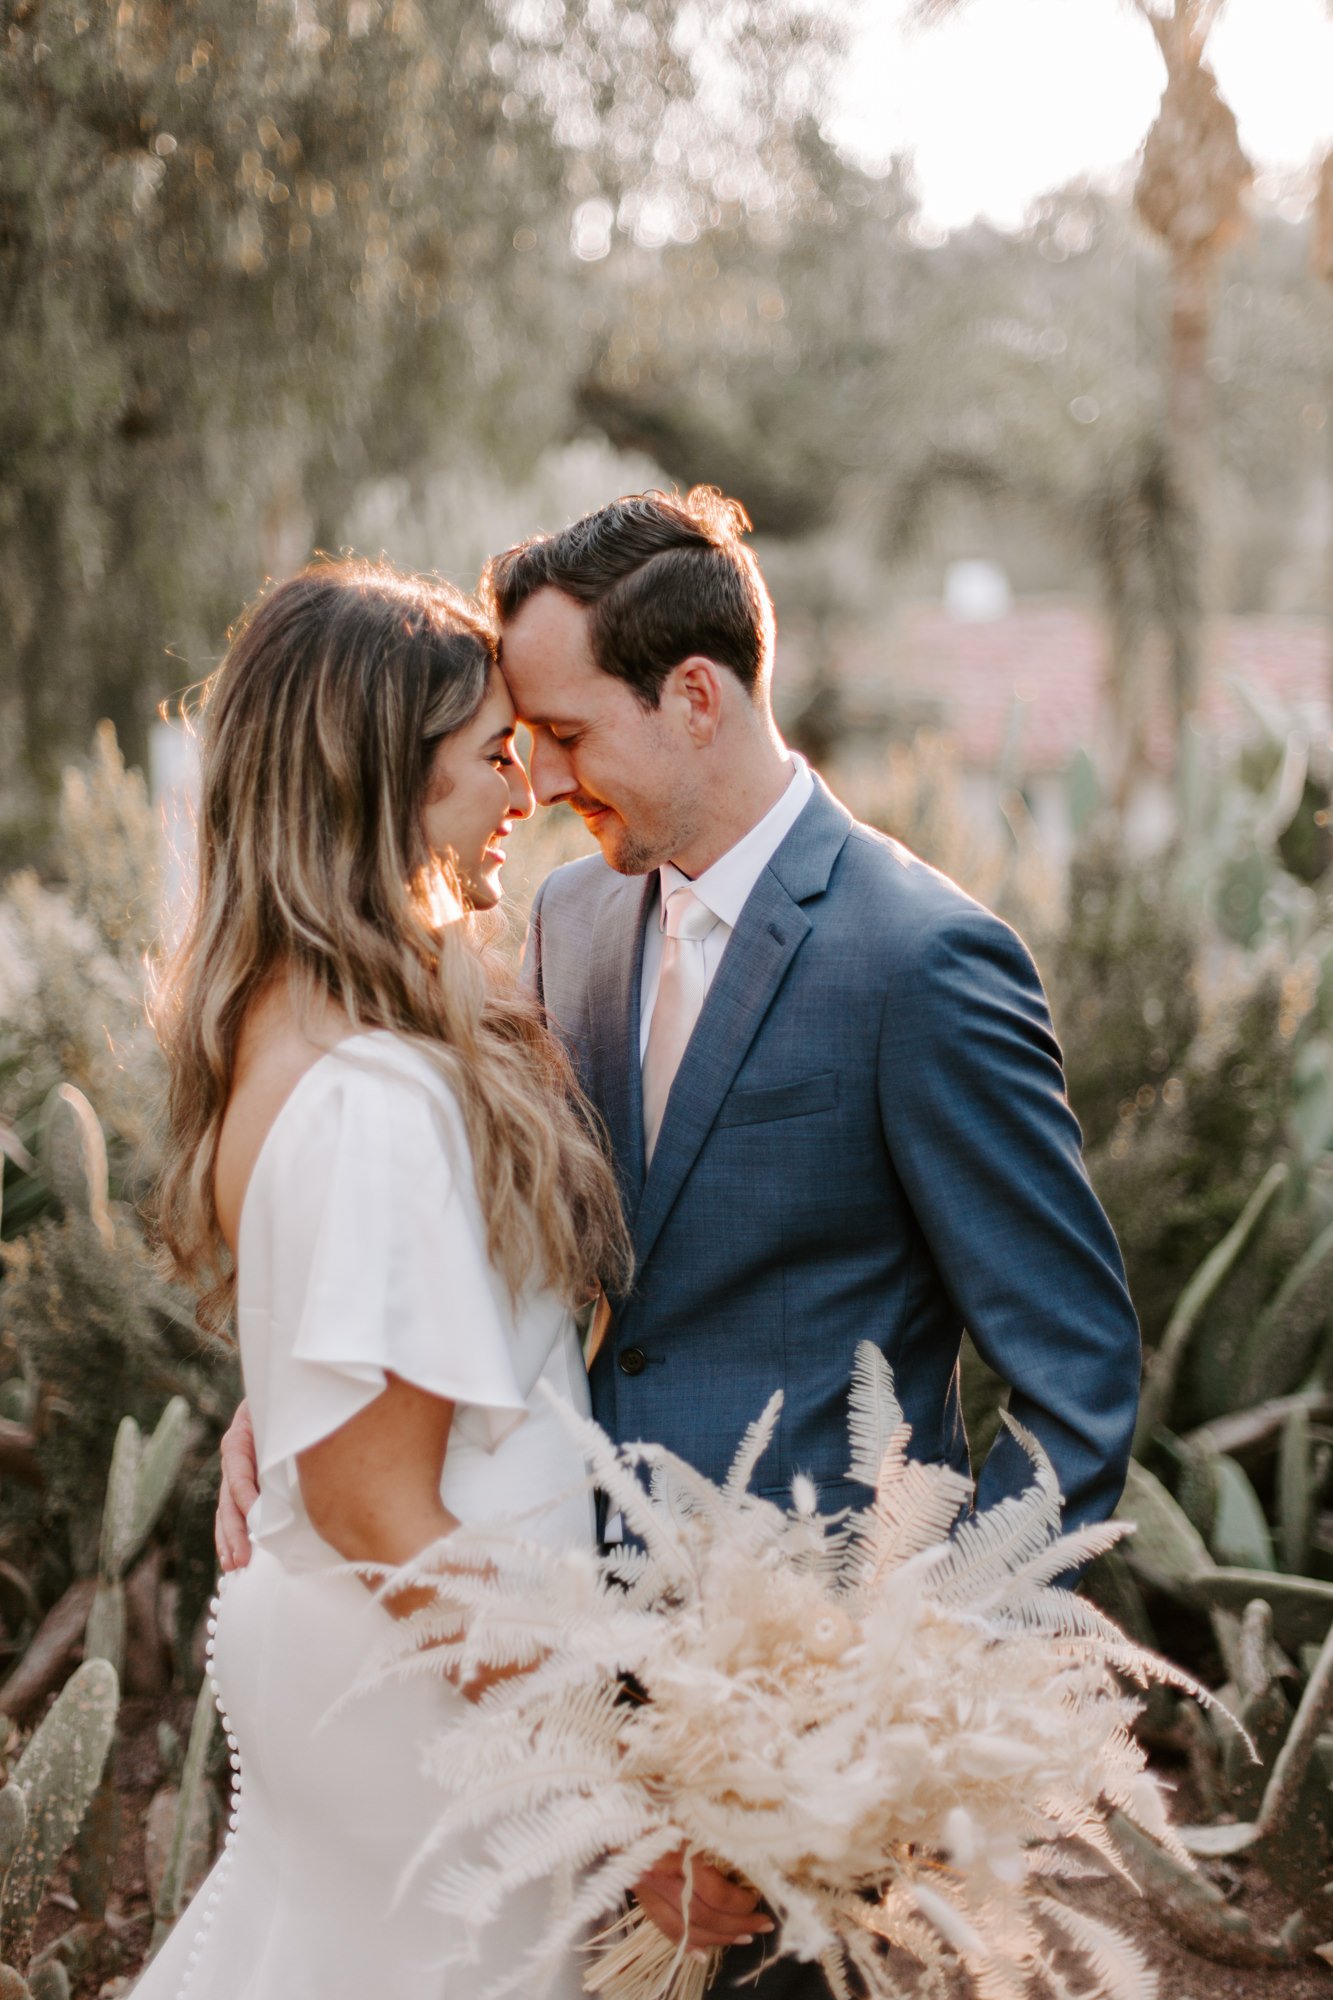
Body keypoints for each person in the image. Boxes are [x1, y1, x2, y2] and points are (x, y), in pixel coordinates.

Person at [217, 489, 1142, 1992]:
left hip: (804, 1715)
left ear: (694, 695)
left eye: (569, 736)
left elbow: (1077, 1375)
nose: (543, 779)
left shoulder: (921, 960)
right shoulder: (573, 922)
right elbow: (488, 1233)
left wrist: (917, 1706)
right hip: (558, 1682)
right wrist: (315, 1391)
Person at [138, 559, 631, 2000]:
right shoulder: (370, 1095)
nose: (524, 791)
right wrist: (609, 1781)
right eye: (490, 758)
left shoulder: (297, 1033)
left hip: (377, 1662)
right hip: (426, 1695)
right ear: (378, 788)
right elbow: (376, 1504)